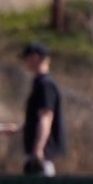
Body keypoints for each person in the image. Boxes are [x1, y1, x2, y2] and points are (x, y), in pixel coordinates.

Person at [19, 42, 65, 176]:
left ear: (35, 57)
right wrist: (19, 128)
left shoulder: (45, 85)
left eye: (26, 58)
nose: (25, 62)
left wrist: (38, 149)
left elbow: (46, 117)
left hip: (41, 156)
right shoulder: (39, 82)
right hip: (37, 153)